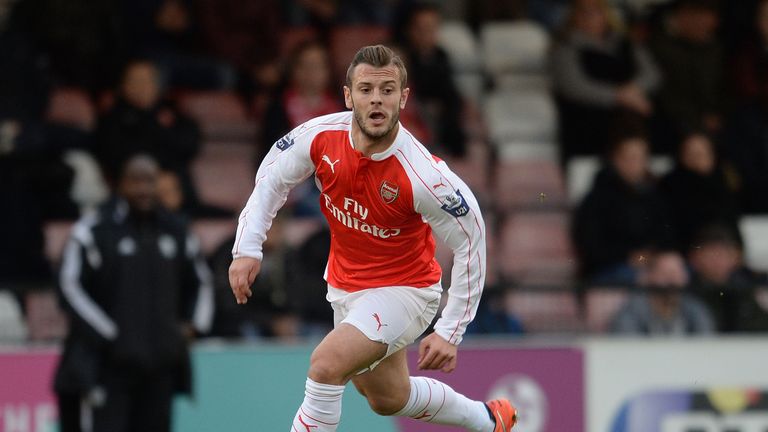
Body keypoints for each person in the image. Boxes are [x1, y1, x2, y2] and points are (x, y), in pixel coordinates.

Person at [228, 45, 517, 432]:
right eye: (365, 90)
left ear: (404, 97)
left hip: (406, 290)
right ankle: (489, 420)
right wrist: (247, 248)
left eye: (387, 90)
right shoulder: (319, 137)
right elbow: (271, 180)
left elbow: (472, 237)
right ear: (348, 97)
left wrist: (450, 330)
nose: (376, 100)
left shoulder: (424, 176)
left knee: (326, 365)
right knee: (388, 398)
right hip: (346, 287)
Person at [53, 154, 214, 432]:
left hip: (159, 367)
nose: (143, 189)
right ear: (119, 185)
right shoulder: (94, 231)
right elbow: (69, 286)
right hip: (106, 366)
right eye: (135, 181)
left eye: (149, 181)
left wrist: (190, 328)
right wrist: (108, 334)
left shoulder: (176, 231)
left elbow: (201, 282)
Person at [551, 0, 660, 161]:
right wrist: (620, 97)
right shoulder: (565, 46)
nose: (590, 17)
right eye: (583, 12)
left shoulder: (625, 42)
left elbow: (652, 73)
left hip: (631, 109)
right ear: (573, 16)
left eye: (596, 11)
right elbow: (574, 87)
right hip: (588, 113)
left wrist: (633, 90)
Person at [572, 131, 673, 284]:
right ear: (615, 160)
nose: (635, 163)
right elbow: (591, 246)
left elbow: (665, 234)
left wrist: (649, 256)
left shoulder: (654, 197)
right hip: (608, 270)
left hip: (651, 264)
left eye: (640, 157)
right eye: (629, 157)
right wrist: (629, 257)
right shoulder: (596, 199)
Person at [658, 131, 740, 251]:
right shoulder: (671, 185)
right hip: (690, 251)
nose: (697, 159)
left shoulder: (723, 183)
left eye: (702, 153)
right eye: (691, 154)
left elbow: (732, 223)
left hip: (725, 251)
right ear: (681, 155)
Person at [609, 250, 715, 335]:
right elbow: (626, 349)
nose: (671, 279)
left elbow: (707, 345)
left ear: (686, 277)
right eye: (664, 273)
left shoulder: (695, 309)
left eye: (676, 273)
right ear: (648, 277)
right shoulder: (631, 311)